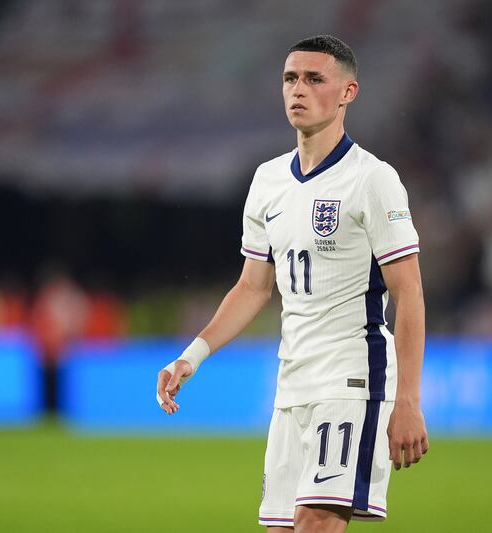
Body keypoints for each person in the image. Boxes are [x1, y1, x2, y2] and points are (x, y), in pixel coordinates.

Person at [157, 35, 429, 532]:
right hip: (291, 385)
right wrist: (191, 355)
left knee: (316, 523)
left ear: (348, 92)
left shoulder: (373, 179)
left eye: (314, 79)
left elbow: (408, 293)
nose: (297, 89)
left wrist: (408, 400)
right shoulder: (267, 181)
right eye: (290, 78)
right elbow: (253, 287)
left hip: (352, 379)